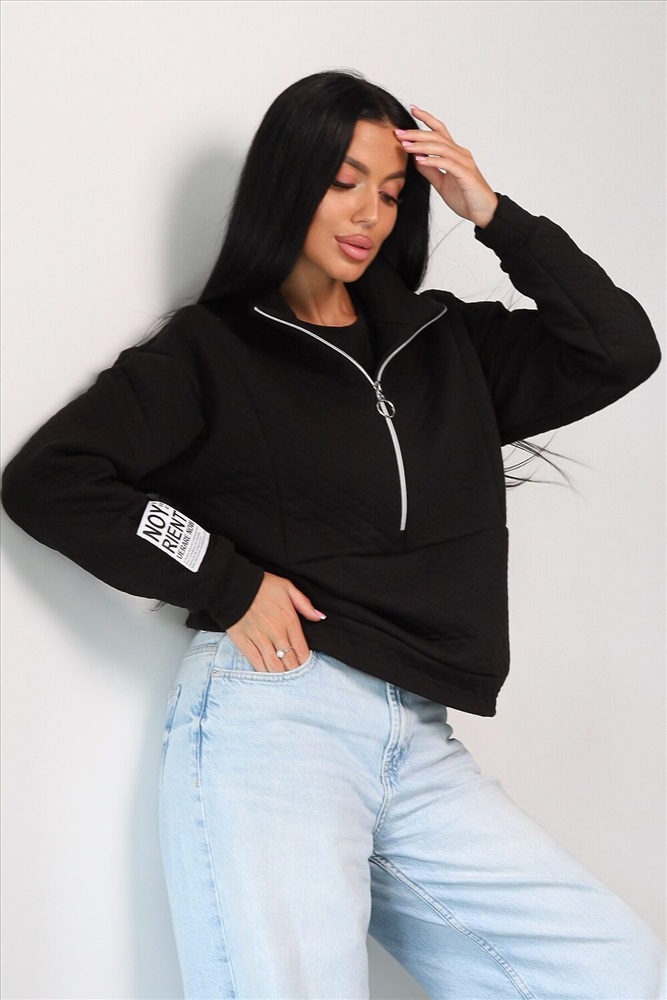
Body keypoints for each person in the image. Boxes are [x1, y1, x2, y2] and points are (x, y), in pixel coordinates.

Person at [2, 70, 664, 1000]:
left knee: (611, 972)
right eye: (343, 182)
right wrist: (226, 580)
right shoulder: (212, 350)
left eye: (391, 193)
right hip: (276, 723)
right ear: (287, 183)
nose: (368, 215)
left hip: (419, 742)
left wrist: (492, 213)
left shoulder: (446, 344)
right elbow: (51, 478)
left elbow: (620, 348)